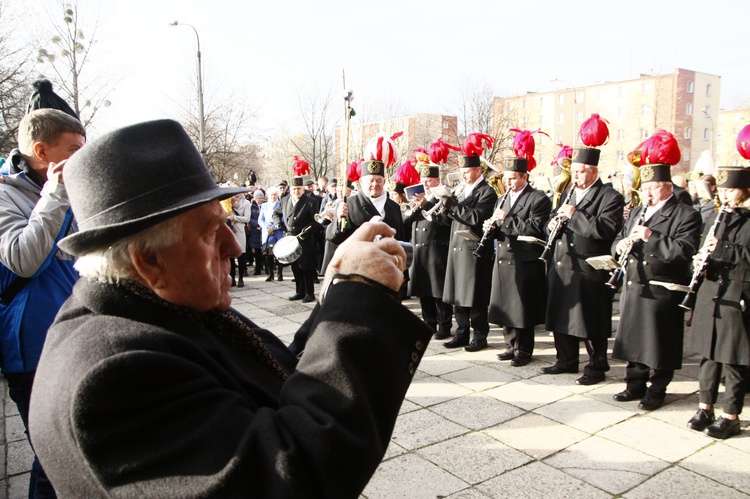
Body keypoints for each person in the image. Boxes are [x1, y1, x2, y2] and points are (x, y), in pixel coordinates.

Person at [28, 119, 432, 497]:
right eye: (209, 232)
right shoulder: (114, 374)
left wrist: (338, 285)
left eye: (226, 223)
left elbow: (277, 371)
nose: (234, 246)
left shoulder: (162, 302)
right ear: (147, 261)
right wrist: (360, 295)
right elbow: (293, 475)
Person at [0, 108, 86, 498]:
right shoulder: (5, 194)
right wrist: (54, 195)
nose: (82, 158)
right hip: (32, 347)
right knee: (52, 456)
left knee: (79, 445)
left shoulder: (73, 188)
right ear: (41, 150)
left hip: (77, 332)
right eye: (74, 150)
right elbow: (23, 258)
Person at [611, 146, 701, 410]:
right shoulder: (639, 211)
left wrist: (652, 237)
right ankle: (634, 384)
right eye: (646, 186)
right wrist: (620, 245)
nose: (648, 192)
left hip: (662, 287)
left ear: (668, 187)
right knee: (633, 337)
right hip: (634, 283)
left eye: (654, 187)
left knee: (661, 341)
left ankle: (658, 388)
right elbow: (618, 238)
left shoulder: (686, 214)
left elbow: (685, 252)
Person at [543, 116, 625, 385]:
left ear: (593, 171)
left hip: (590, 269)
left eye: (578, 171)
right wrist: (552, 224)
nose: (573, 175)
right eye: (573, 171)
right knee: (561, 315)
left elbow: (604, 229)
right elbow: (550, 222)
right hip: (563, 264)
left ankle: (596, 366)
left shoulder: (610, 197)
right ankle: (565, 360)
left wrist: (575, 214)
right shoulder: (568, 193)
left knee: (591, 320)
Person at [687, 165, 750, 439]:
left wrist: (721, 248)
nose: (725, 196)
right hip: (711, 290)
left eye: (731, 190)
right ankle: (705, 406)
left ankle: (731, 415)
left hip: (738, 293)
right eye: (722, 190)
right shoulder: (717, 216)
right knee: (708, 353)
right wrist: (699, 261)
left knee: (733, 357)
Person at [484, 157, 551, 366]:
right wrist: (491, 227)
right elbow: (500, 225)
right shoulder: (502, 198)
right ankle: (510, 345)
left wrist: (506, 220)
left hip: (524, 259)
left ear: (524, 177)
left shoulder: (538, 199)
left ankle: (524, 349)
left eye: (513, 179)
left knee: (522, 307)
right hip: (503, 258)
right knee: (505, 304)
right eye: (506, 178)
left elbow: (535, 227)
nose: (509, 183)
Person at [439, 139, 498, 352]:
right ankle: (461, 333)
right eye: (461, 171)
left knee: (475, 297)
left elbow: (477, 217)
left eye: (466, 171)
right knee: (457, 296)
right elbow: (449, 222)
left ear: (476, 170)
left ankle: (479, 336)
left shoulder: (487, 192)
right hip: (456, 248)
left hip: (473, 251)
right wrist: (445, 209)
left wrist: (454, 206)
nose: (462, 175)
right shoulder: (460, 191)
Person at [407, 154, 454, 340]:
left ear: (437, 181)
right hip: (419, 250)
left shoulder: (444, 196)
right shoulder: (417, 198)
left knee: (439, 291)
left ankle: (444, 325)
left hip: (436, 249)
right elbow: (405, 220)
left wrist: (428, 203)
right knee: (424, 290)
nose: (426, 185)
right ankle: (429, 322)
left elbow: (446, 220)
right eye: (424, 181)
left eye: (430, 181)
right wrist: (415, 207)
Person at [273, 176, 322, 303]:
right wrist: (278, 224)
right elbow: (276, 213)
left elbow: (316, 221)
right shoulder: (285, 200)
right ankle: (299, 291)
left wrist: (306, 230)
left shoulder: (310, 201)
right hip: (290, 238)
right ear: (291, 189)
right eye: (294, 189)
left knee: (306, 266)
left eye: (299, 189)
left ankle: (309, 293)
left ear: (303, 189)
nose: (296, 191)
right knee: (295, 266)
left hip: (304, 237)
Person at [226, 187, 251, 287]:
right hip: (229, 229)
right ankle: (232, 278)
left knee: (241, 254)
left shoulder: (246, 203)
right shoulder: (227, 200)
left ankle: (241, 278)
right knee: (230, 256)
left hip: (240, 230)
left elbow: (247, 219)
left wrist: (234, 218)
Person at [259, 186, 284, 281]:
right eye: (271, 195)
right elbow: (260, 219)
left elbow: (282, 219)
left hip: (278, 230)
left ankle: (280, 273)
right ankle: (270, 273)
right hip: (267, 231)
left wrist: (274, 227)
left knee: (279, 253)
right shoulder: (264, 205)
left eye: (275, 195)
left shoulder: (280, 204)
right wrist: (267, 228)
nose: (273, 196)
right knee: (268, 253)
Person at [247, 189, 265, 275]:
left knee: (265, 250)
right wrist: (257, 224)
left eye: (262, 198)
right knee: (257, 251)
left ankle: (267, 268)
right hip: (255, 230)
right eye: (259, 198)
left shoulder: (265, 205)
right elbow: (250, 218)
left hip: (264, 229)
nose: (261, 200)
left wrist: (263, 225)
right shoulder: (251, 207)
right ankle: (257, 268)